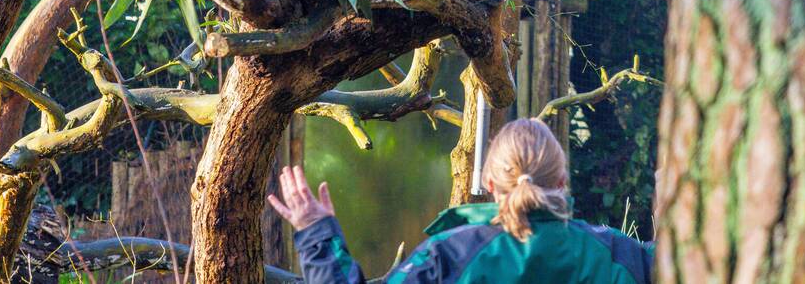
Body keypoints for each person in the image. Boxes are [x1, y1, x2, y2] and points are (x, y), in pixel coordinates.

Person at [269, 118, 653, 283]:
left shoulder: (449, 255)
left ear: (488, 182)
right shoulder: (622, 255)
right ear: (564, 181)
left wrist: (316, 235)